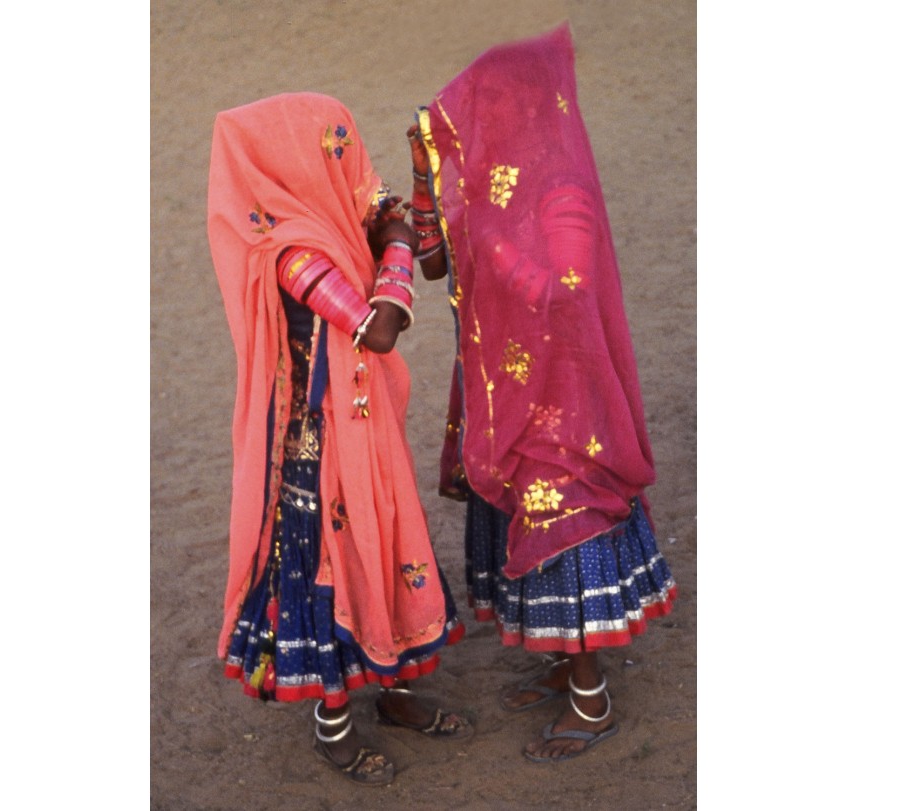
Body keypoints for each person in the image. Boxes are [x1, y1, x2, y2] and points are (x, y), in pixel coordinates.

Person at [406, 24, 677, 763]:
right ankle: (564, 667)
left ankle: (592, 700)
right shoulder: (502, 181)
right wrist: (428, 179)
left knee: (563, 526)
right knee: (523, 526)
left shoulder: (559, 184)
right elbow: (434, 267)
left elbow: (568, 292)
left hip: (565, 407)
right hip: (514, 393)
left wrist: (492, 248)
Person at [207, 92, 471, 787]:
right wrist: (400, 245)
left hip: (362, 428)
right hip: (315, 454)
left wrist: (393, 225)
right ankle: (334, 727)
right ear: (296, 166)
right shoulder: (291, 251)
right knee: (327, 569)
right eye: (332, 150)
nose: (348, 162)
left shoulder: (327, 217)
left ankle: (394, 692)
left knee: (384, 543)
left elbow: (381, 204)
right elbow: (378, 327)